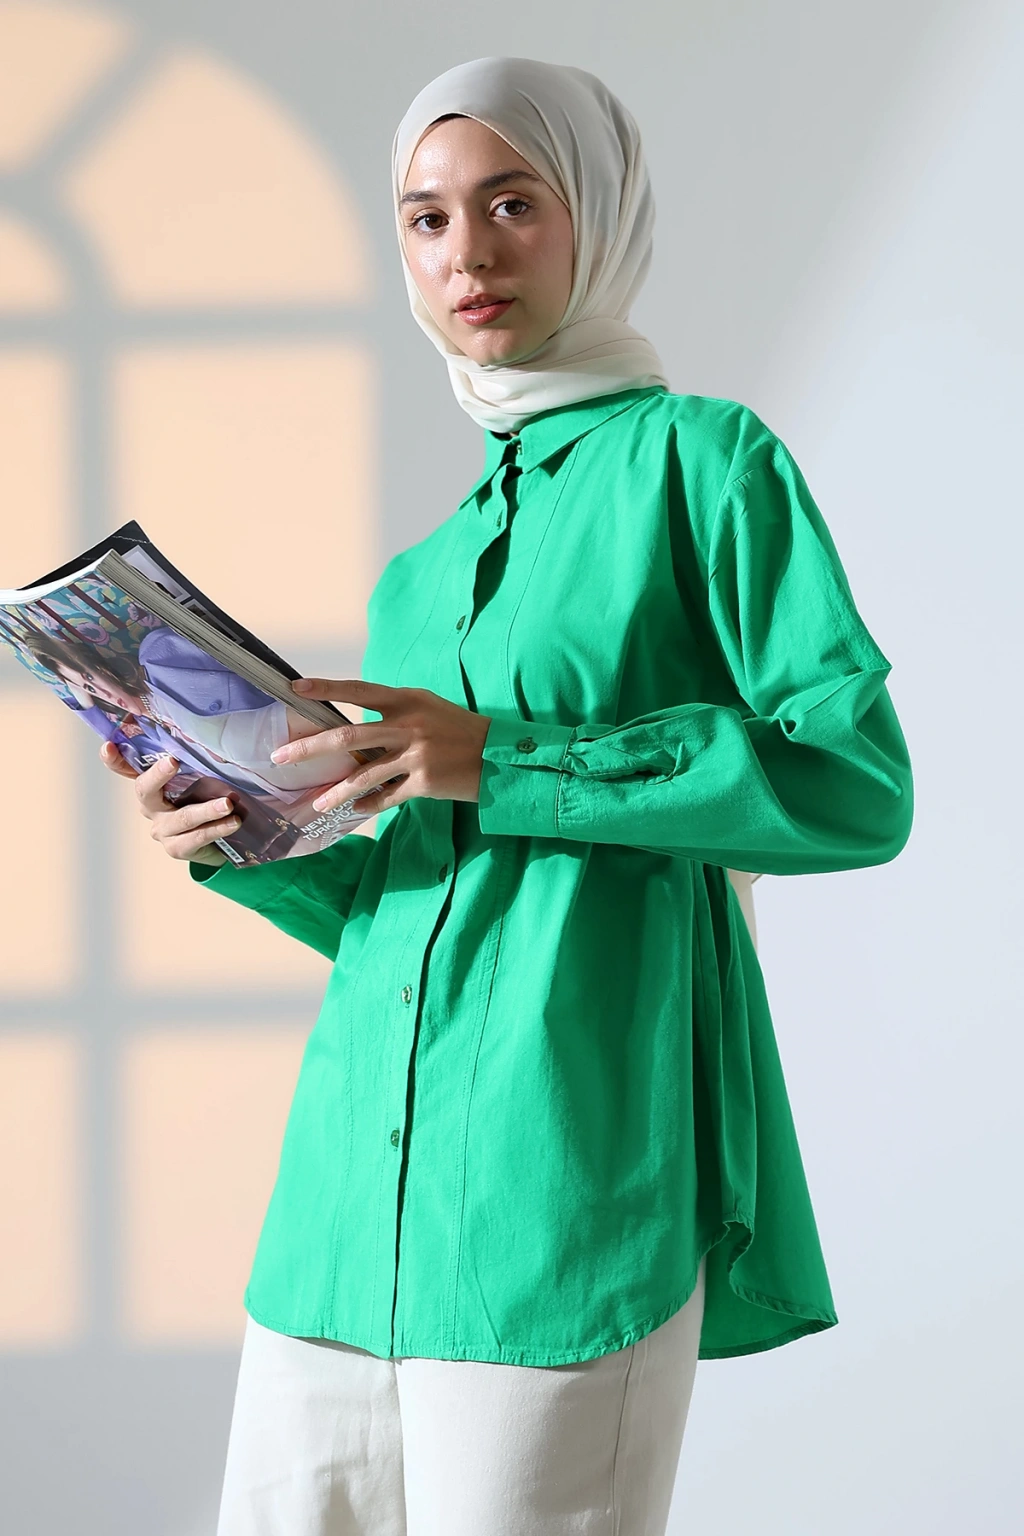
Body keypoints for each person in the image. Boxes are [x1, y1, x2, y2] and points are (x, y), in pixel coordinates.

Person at [101, 56, 913, 1536]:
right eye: (426, 218)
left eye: (512, 203)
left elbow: (854, 785)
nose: (466, 252)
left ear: (595, 214)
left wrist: (503, 757)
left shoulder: (705, 463)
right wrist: (237, 838)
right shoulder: (419, 575)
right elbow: (410, 906)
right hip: (342, 1215)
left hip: (561, 1187)